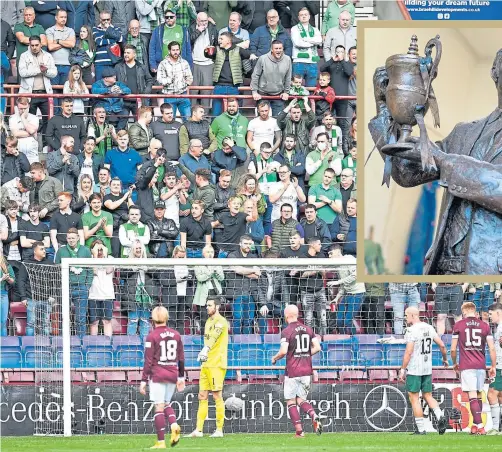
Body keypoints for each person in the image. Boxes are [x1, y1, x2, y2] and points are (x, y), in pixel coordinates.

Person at [271, 304, 322, 438]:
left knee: (291, 401)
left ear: (286, 315)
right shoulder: (308, 329)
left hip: (293, 371)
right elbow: (317, 347)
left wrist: (275, 358)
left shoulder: (287, 331)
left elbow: (283, 351)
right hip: (306, 371)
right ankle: (313, 414)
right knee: (301, 399)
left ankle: (299, 431)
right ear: (297, 314)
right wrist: (305, 355)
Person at [398, 306, 449, 435]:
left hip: (415, 369)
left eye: (406, 315)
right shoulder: (429, 327)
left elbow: (409, 352)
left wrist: (402, 369)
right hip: (427, 368)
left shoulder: (411, 330)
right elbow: (442, 345)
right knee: (428, 395)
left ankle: (421, 430)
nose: (405, 318)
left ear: (412, 315)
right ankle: (440, 415)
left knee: (414, 398)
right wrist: (445, 359)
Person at [140, 306, 185, 449]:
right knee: (166, 403)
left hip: (158, 374)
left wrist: (143, 380)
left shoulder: (152, 336)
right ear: (166, 317)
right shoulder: (176, 334)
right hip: (172, 373)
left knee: (158, 407)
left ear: (153, 319)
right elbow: (182, 358)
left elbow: (148, 361)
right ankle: (174, 425)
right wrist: (181, 377)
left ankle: (160, 442)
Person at [451, 302, 497, 435]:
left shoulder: (459, 325)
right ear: (475, 311)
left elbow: (453, 349)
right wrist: (493, 365)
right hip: (481, 365)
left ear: (464, 312)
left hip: (467, 365)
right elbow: (492, 348)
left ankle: (481, 426)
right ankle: (475, 425)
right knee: (478, 394)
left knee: (472, 395)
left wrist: (454, 363)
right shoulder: (485, 325)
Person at [187, 296, 229, 438]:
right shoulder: (208, 321)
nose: (207, 307)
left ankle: (219, 430)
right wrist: (205, 353)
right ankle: (198, 430)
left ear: (217, 307)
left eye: (210, 305)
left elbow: (214, 338)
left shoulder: (221, 321)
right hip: (206, 364)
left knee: (217, 395)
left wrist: (205, 349)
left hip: (217, 363)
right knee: (202, 396)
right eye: (206, 305)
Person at [18, 36, 57, 149]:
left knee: (48, 121)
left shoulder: (48, 56)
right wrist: (39, 70)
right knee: (29, 120)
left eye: (36, 45)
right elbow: (22, 72)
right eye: (32, 45)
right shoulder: (24, 56)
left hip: (45, 93)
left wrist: (46, 71)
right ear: (29, 45)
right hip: (29, 94)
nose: (34, 47)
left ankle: (46, 145)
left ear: (41, 45)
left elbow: (54, 73)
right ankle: (31, 144)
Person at [55, 228, 93, 337]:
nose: (71, 240)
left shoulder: (85, 250)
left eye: (73, 238)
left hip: (82, 288)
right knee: (64, 316)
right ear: (66, 239)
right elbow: (56, 269)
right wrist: (60, 285)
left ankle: (81, 342)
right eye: (69, 238)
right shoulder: (61, 251)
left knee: (80, 317)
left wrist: (87, 286)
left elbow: (90, 269)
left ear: (78, 238)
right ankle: (63, 341)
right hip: (66, 287)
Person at [320, 45, 353, 153]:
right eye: (337, 51)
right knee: (326, 120)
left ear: (345, 54)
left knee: (342, 123)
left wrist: (342, 60)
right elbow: (322, 68)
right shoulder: (331, 64)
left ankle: (343, 148)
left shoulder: (347, 64)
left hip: (342, 99)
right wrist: (331, 60)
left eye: (341, 52)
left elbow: (349, 72)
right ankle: (325, 145)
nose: (339, 53)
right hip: (329, 98)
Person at [121, 240, 156, 340]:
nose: (138, 250)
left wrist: (147, 269)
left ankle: (144, 346)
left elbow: (157, 274)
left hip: (147, 295)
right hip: (132, 296)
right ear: (133, 249)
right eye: (136, 248)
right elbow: (122, 274)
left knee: (145, 321)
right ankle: (130, 346)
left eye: (140, 248)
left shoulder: (150, 259)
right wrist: (133, 269)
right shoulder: (127, 260)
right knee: (133, 320)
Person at [210, 32, 250, 117]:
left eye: (221, 39)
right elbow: (208, 54)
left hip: (234, 86)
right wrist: (207, 50)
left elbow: (247, 55)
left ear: (228, 41)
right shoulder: (217, 49)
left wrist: (238, 45)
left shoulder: (238, 49)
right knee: (216, 114)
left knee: (235, 114)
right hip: (219, 85)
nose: (219, 40)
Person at [18, 242, 55, 336]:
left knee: (46, 324)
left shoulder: (49, 264)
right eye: (41, 249)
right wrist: (23, 297)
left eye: (44, 249)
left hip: (46, 300)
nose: (44, 251)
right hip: (31, 299)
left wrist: (52, 295)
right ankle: (29, 347)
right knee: (31, 324)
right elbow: (21, 281)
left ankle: (47, 346)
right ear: (35, 251)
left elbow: (54, 281)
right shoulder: (26, 263)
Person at [327, 244, 364, 335]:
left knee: (348, 321)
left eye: (331, 254)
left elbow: (355, 275)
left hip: (358, 294)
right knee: (339, 321)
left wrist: (337, 282)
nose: (329, 256)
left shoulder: (350, 259)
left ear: (337, 252)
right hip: (347, 294)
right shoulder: (339, 266)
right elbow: (344, 284)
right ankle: (344, 340)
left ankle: (354, 342)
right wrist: (336, 298)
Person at [251, 40, 292, 117]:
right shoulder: (263, 59)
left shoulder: (287, 59)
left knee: (278, 120)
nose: (278, 50)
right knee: (262, 119)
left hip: (278, 94)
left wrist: (286, 92)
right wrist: (254, 92)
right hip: (263, 94)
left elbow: (288, 77)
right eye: (276, 48)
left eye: (280, 48)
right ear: (271, 49)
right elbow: (255, 75)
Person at [46, 9, 76, 108]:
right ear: (56, 18)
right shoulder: (50, 30)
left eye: (65, 17)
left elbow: (72, 44)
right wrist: (65, 43)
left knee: (65, 92)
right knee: (53, 92)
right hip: (53, 65)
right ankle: (55, 115)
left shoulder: (70, 30)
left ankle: (64, 114)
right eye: (61, 17)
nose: (63, 19)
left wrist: (58, 41)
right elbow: (50, 47)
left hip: (67, 65)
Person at [157, 41, 193, 121]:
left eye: (177, 50)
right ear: (169, 51)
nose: (176, 52)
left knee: (188, 119)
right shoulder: (163, 64)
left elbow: (190, 78)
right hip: (169, 95)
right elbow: (160, 79)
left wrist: (185, 83)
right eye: (173, 50)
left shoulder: (184, 63)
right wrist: (170, 80)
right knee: (169, 120)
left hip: (183, 95)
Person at [189, 11, 218, 109]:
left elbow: (217, 43)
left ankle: (205, 117)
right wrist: (198, 31)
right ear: (197, 20)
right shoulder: (191, 27)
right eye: (201, 21)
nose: (204, 23)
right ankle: (191, 116)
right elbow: (188, 41)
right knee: (193, 92)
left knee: (206, 92)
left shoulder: (212, 27)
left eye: (205, 20)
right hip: (194, 63)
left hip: (208, 64)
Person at [149, 8, 193, 73]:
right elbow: (152, 48)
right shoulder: (158, 30)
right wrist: (153, 65)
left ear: (175, 17)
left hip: (180, 67)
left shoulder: (183, 30)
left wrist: (189, 66)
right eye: (167, 17)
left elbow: (188, 49)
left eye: (171, 17)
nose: (169, 19)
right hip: (163, 66)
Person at [116, 44, 154, 117]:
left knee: (140, 122)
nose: (126, 55)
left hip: (138, 100)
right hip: (123, 100)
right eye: (125, 53)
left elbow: (149, 80)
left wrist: (146, 92)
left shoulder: (142, 67)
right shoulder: (118, 67)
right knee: (121, 124)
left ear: (134, 55)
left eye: (128, 53)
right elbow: (114, 81)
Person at [88, 239, 114, 336]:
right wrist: (95, 256)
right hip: (93, 295)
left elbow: (108, 270)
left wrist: (105, 255)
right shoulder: (90, 258)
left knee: (107, 321)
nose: (99, 251)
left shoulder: (110, 258)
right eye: (97, 249)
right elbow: (94, 271)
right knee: (94, 322)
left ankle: (108, 345)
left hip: (107, 295)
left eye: (101, 248)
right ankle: (93, 345)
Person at [193, 246, 224, 327]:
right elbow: (200, 278)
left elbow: (222, 278)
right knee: (204, 318)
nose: (210, 254)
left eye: (212, 252)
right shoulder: (198, 264)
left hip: (215, 292)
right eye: (208, 252)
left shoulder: (217, 263)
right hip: (203, 294)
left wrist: (216, 273)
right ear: (203, 254)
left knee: (216, 317)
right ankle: (204, 338)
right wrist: (210, 272)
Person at [290, 8, 322, 88]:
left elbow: (319, 41)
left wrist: (306, 39)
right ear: (298, 17)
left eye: (305, 15)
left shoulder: (315, 29)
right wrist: (312, 43)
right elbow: (298, 43)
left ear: (309, 16)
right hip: (298, 62)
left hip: (312, 63)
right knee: (296, 88)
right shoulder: (294, 29)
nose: (303, 16)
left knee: (311, 89)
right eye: (301, 15)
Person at [257, 249, 286, 334]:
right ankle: (263, 339)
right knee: (262, 313)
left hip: (274, 303)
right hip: (262, 304)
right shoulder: (260, 273)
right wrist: (263, 304)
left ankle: (285, 337)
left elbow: (284, 289)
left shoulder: (279, 272)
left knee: (286, 312)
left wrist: (286, 303)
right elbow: (258, 290)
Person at [103, 178, 134, 257]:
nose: (116, 186)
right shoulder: (107, 197)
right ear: (110, 186)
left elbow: (133, 209)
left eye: (118, 185)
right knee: (115, 251)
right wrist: (124, 198)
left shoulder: (125, 196)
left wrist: (129, 197)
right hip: (114, 228)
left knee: (127, 252)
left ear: (120, 187)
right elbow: (111, 206)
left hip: (125, 226)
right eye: (114, 184)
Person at [92, 10, 124, 81]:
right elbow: (99, 42)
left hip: (113, 62)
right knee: (99, 84)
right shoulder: (95, 29)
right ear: (100, 20)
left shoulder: (116, 28)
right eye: (104, 20)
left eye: (108, 19)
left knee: (113, 86)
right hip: (100, 63)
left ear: (111, 19)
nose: (106, 21)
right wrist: (113, 39)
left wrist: (109, 29)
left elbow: (120, 39)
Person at [9, 97, 39, 165]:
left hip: (32, 153)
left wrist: (23, 118)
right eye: (21, 108)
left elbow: (31, 131)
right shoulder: (12, 118)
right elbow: (15, 133)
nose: (23, 111)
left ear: (29, 106)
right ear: (17, 107)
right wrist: (29, 133)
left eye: (25, 108)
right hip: (18, 150)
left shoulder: (34, 118)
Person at [487, 302, 502, 435]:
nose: (490, 317)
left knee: (491, 394)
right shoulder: (499, 328)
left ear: (498, 313)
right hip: (499, 365)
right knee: (500, 396)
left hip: (500, 367)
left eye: (491, 314)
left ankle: (496, 428)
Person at [0, 255, 15, 336]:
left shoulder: (6, 265)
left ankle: (4, 343)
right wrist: (1, 279)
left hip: (3, 294)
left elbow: (13, 281)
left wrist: (8, 278)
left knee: (3, 321)